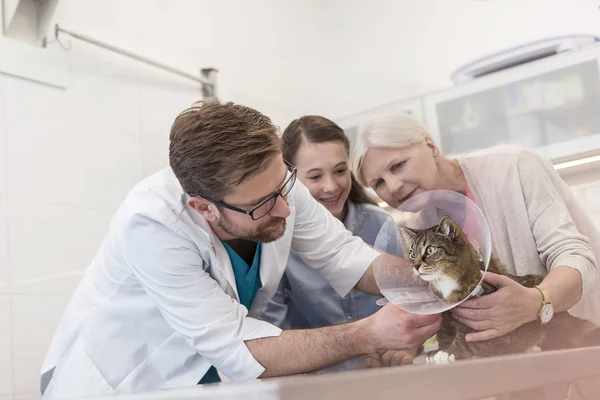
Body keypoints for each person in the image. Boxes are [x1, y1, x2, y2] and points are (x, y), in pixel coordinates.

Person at [40, 101, 442, 399]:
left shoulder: (271, 183)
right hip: (122, 382)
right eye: (262, 205)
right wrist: (368, 334)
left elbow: (344, 255)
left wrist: (434, 280)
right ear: (203, 207)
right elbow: (236, 345)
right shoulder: (152, 225)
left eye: (284, 186)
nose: (286, 208)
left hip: (201, 377)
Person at [350, 111, 600, 347]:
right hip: (515, 360)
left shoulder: (512, 167)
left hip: (582, 343)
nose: (393, 186)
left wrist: (535, 301)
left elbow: (575, 256)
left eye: (398, 165)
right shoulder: (414, 227)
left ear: (430, 145)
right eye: (378, 183)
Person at [260, 116, 393, 372]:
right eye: (315, 176)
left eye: (340, 171)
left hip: (388, 377)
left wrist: (403, 348)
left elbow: (412, 302)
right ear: (288, 179)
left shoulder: (382, 226)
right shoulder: (276, 243)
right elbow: (273, 334)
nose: (331, 186)